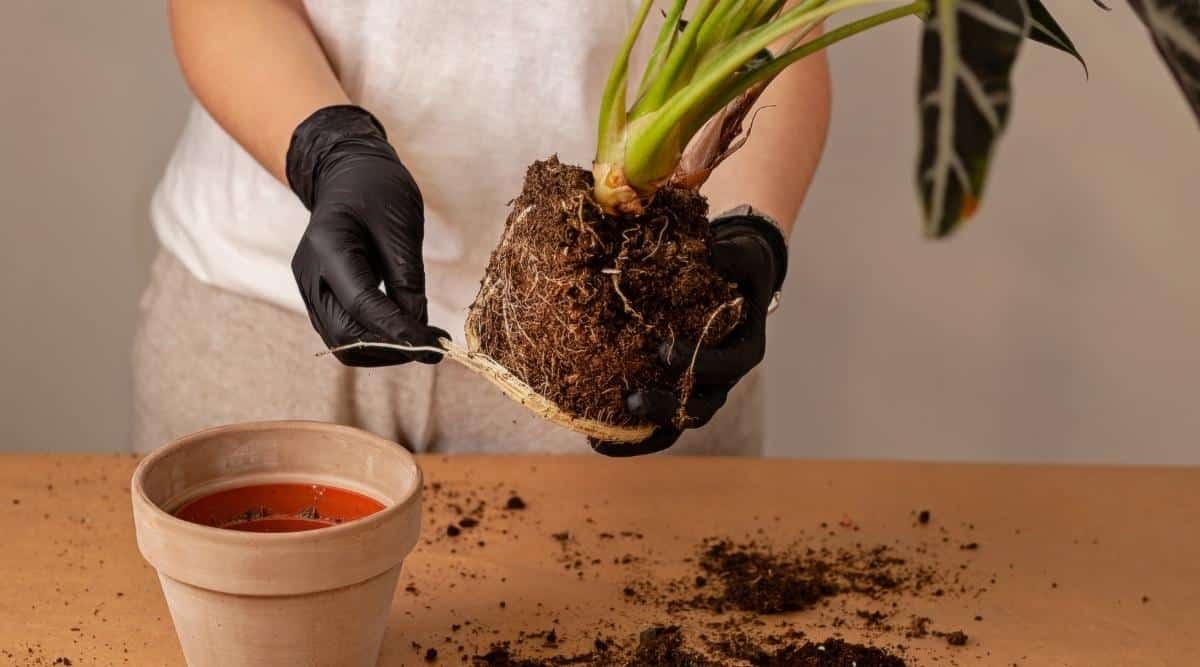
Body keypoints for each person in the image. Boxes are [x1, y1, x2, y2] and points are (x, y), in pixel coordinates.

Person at [133, 1, 830, 456]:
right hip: (268, 322)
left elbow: (782, 28)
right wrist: (326, 148)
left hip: (624, 337)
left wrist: (750, 233)